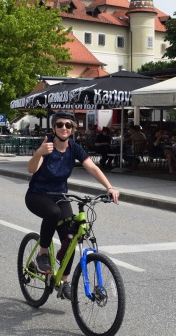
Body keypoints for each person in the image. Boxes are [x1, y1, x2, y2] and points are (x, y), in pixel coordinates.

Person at [25, 111, 119, 300]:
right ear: (54, 128)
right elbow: (32, 169)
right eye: (60, 125)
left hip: (60, 196)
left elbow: (91, 167)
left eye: (68, 125)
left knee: (71, 238)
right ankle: (43, 254)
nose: (64, 128)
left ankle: (63, 282)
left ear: (73, 129)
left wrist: (109, 187)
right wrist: (39, 152)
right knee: (52, 212)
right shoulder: (47, 147)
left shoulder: (74, 148)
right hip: (37, 195)